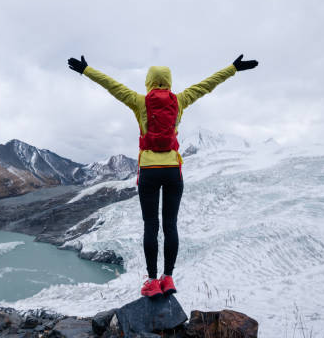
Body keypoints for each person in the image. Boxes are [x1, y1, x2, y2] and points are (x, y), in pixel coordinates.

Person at [67, 54, 259, 298]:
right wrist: (233, 68)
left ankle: (151, 281)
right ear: (169, 81)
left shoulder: (139, 101)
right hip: (172, 170)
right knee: (170, 226)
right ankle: (168, 279)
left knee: (151, 225)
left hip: (148, 170)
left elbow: (112, 85)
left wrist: (86, 70)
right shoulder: (179, 101)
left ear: (148, 81)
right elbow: (207, 84)